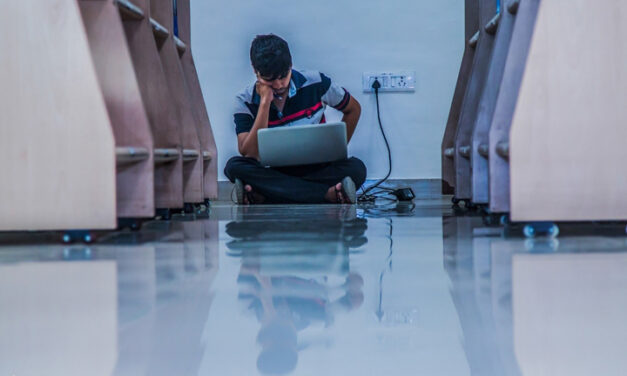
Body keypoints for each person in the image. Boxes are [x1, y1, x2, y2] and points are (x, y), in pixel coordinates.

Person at [224, 34, 367, 205]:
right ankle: (326, 194)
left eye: (283, 76)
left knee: (357, 168)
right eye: (269, 80)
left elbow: (353, 109)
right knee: (234, 167)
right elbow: (249, 153)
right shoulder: (244, 100)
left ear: (291, 65)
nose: (278, 85)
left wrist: (337, 149)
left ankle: (267, 196)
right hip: (274, 171)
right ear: (256, 72)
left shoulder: (317, 82)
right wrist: (264, 103)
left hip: (317, 168)